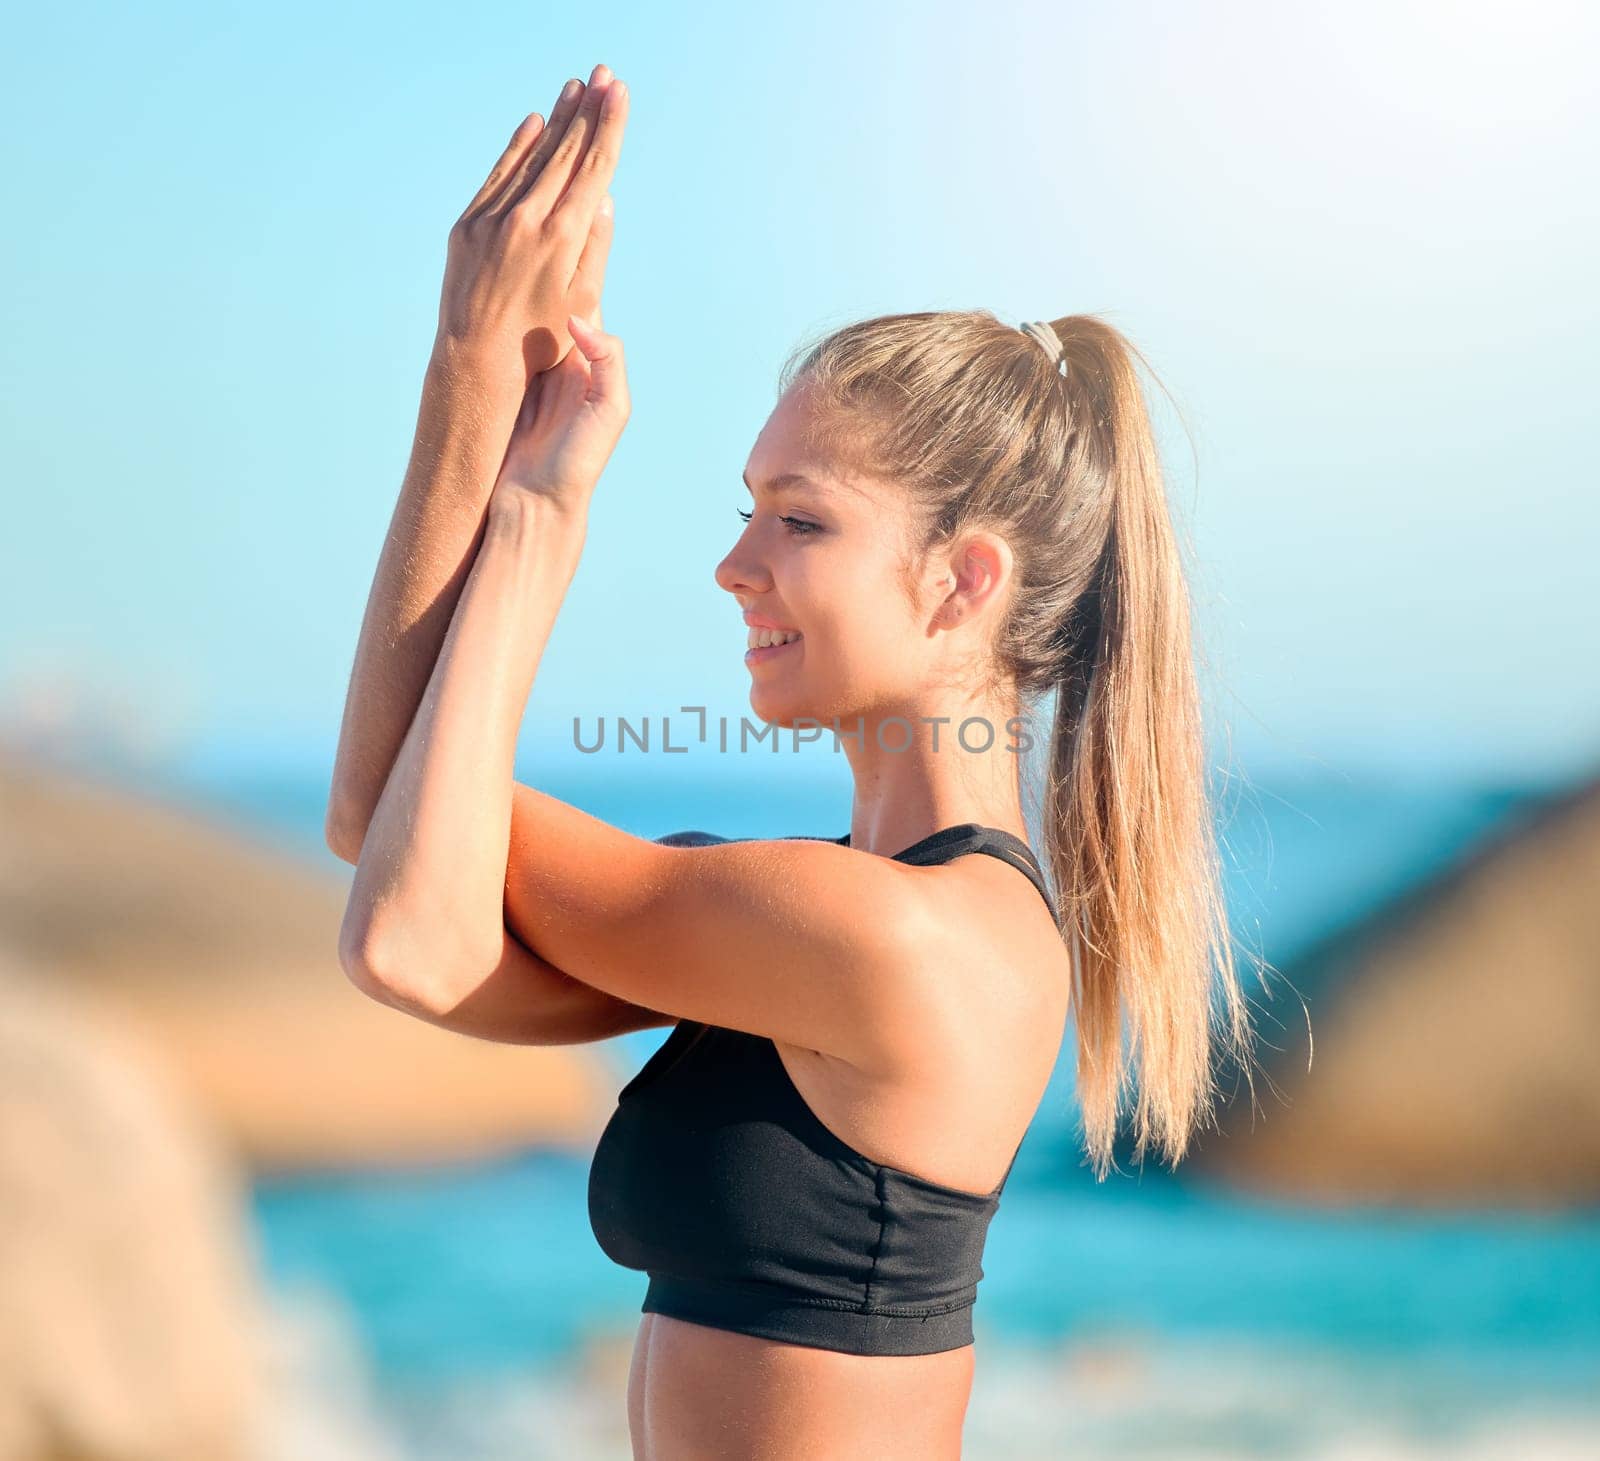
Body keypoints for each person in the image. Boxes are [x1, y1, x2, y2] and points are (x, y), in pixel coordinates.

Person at [325, 62, 1259, 1461]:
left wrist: (535, 507)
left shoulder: (898, 940)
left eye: (799, 521)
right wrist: (472, 381)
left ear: (961, 583)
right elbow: (387, 819)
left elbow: (405, 927)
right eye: (748, 509)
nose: (734, 565)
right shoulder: (807, 916)